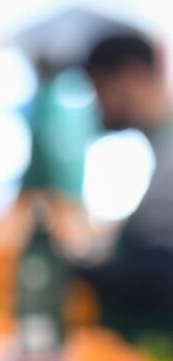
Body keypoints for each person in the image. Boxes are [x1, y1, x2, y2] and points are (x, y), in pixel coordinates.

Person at [75, 31, 173, 340]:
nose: (98, 106)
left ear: (129, 75)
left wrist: (77, 270)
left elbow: (158, 270)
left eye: (99, 89)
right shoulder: (158, 147)